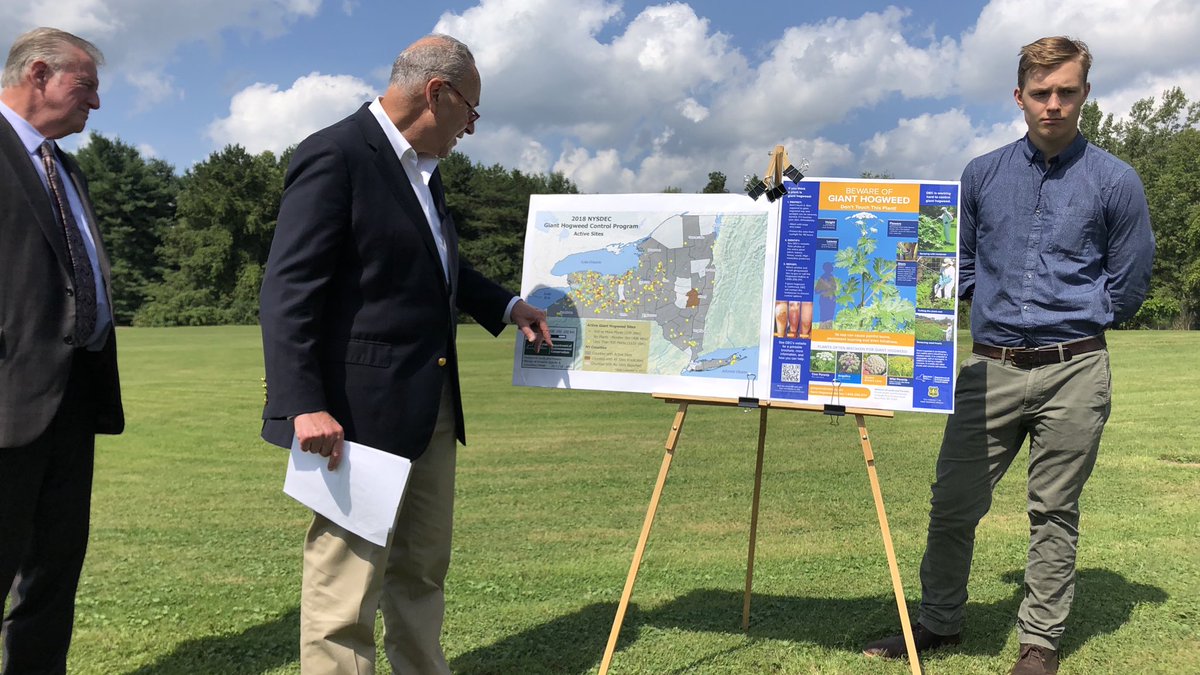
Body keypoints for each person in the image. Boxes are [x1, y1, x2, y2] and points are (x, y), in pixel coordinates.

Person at [259, 34, 551, 674]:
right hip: (355, 418)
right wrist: (302, 404)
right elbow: (288, 290)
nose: (472, 127)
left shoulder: (423, 169)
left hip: (432, 408)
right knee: (348, 584)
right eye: (471, 110)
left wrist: (507, 306)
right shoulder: (335, 155)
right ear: (437, 93)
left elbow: (440, 266)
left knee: (422, 567)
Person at [864, 36, 1154, 675]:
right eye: (1041, 92)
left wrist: (1071, 320)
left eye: (1067, 92)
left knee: (1054, 511)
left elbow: (1130, 283)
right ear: (1019, 96)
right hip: (988, 368)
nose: (1053, 105)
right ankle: (939, 622)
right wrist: (990, 301)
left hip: (1075, 371)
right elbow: (955, 264)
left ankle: (1038, 644)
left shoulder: (1116, 180)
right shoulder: (982, 174)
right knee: (953, 502)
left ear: (1084, 94)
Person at [0, 27, 122, 673]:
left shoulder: (64, 166)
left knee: (54, 575)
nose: (95, 103)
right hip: (5, 405)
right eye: (86, 86)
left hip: (72, 402)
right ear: (39, 73)